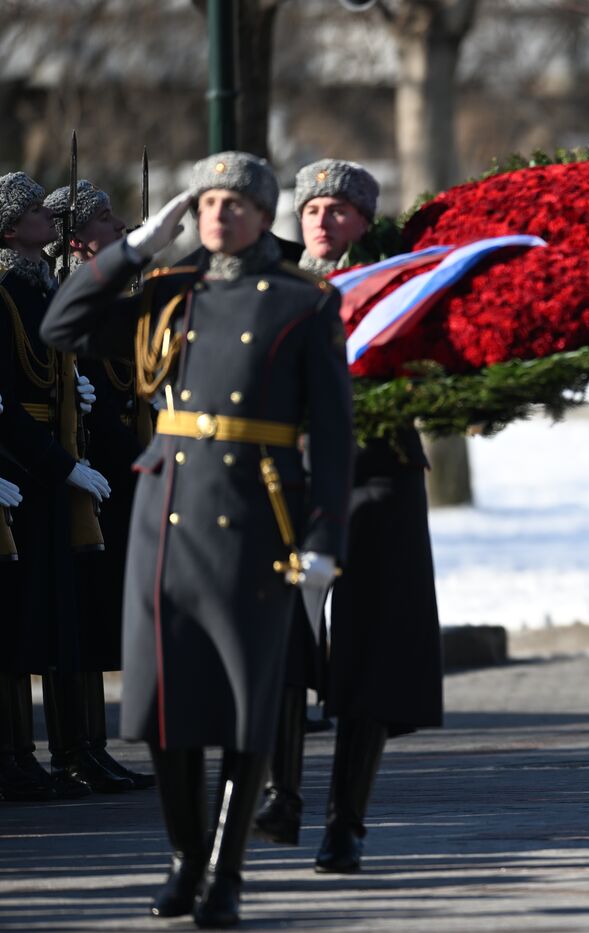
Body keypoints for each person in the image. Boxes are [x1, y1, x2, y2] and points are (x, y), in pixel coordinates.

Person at [42, 151, 353, 926]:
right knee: (161, 704)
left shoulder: (301, 303)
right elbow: (63, 325)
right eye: (206, 201)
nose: (217, 214)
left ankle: (226, 868)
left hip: (254, 513)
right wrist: (134, 247)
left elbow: (335, 435)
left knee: (247, 701)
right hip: (167, 510)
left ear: (259, 214)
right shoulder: (166, 291)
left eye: (234, 203)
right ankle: (184, 857)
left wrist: (323, 537)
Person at [253, 158, 444, 874]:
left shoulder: (402, 285)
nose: (323, 221)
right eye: (311, 210)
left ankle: (346, 822)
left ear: (366, 219)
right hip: (290, 479)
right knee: (281, 636)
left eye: (339, 209)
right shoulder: (272, 288)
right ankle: (282, 793)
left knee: (371, 650)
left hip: (379, 472)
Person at [0, 171, 113, 802]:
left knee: (58, 615)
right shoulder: (5, 292)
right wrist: (55, 465)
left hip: (48, 462)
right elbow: (6, 402)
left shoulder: (38, 287)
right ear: (13, 228)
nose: (52, 221)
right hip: (25, 468)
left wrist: (76, 394)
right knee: (19, 624)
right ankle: (18, 757)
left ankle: (74, 749)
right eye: (39, 214)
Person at [42, 179, 156, 793]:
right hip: (89, 470)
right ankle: (72, 748)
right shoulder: (67, 296)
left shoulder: (115, 294)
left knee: (94, 613)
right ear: (77, 239)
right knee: (76, 614)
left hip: (119, 467)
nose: (119, 227)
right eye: (104, 220)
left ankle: (92, 744)